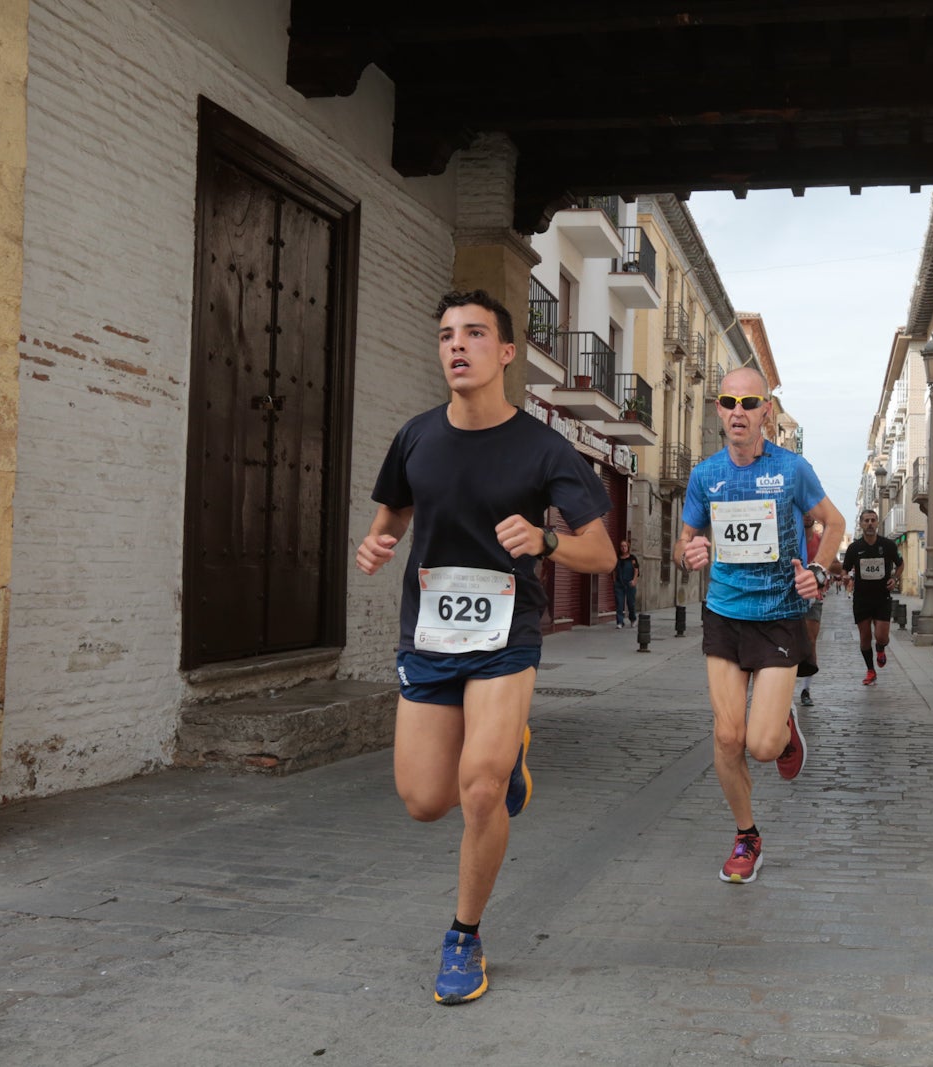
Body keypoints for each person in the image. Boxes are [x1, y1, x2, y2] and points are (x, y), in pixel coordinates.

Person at [355, 289, 617, 1006]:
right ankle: (507, 763)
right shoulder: (415, 436)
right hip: (431, 636)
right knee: (423, 798)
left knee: (477, 788)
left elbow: (601, 549)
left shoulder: (543, 448)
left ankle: (464, 935)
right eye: (446, 335)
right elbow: (394, 511)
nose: (457, 346)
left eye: (474, 333)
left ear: (506, 352)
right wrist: (379, 542)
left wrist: (546, 539)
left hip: (506, 637)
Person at [675, 366, 845, 883]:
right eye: (729, 402)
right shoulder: (705, 475)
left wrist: (817, 569)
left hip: (778, 618)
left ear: (766, 410)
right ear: (719, 410)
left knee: (762, 746)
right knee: (728, 737)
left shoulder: (792, 470)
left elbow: (833, 524)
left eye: (750, 403)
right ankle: (747, 836)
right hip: (725, 613)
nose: (738, 412)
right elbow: (683, 545)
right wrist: (691, 552)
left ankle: (784, 728)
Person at [840, 508, 903, 685]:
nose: (869, 524)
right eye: (866, 520)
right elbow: (845, 568)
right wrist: (845, 577)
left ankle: (880, 648)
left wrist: (895, 578)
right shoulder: (854, 548)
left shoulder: (888, 545)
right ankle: (870, 670)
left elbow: (900, 564)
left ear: (877, 523)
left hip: (882, 597)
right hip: (861, 598)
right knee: (865, 637)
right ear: (860, 524)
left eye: (873, 520)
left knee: (882, 636)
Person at [798, 520, 825, 707]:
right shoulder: (789, 535)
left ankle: (805, 690)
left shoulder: (821, 540)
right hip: (787, 596)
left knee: (810, 642)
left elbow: (835, 565)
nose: (807, 514)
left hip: (813, 598)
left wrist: (824, 574)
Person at [613, 538, 640, 628]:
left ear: (628, 547)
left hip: (630, 584)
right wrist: (614, 581)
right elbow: (614, 570)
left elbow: (636, 570)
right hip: (619, 584)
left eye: (625, 546)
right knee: (619, 603)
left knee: (630, 603)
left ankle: (633, 619)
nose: (623, 548)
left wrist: (634, 580)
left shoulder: (632, 558)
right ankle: (620, 622)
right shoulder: (617, 558)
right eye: (622, 546)